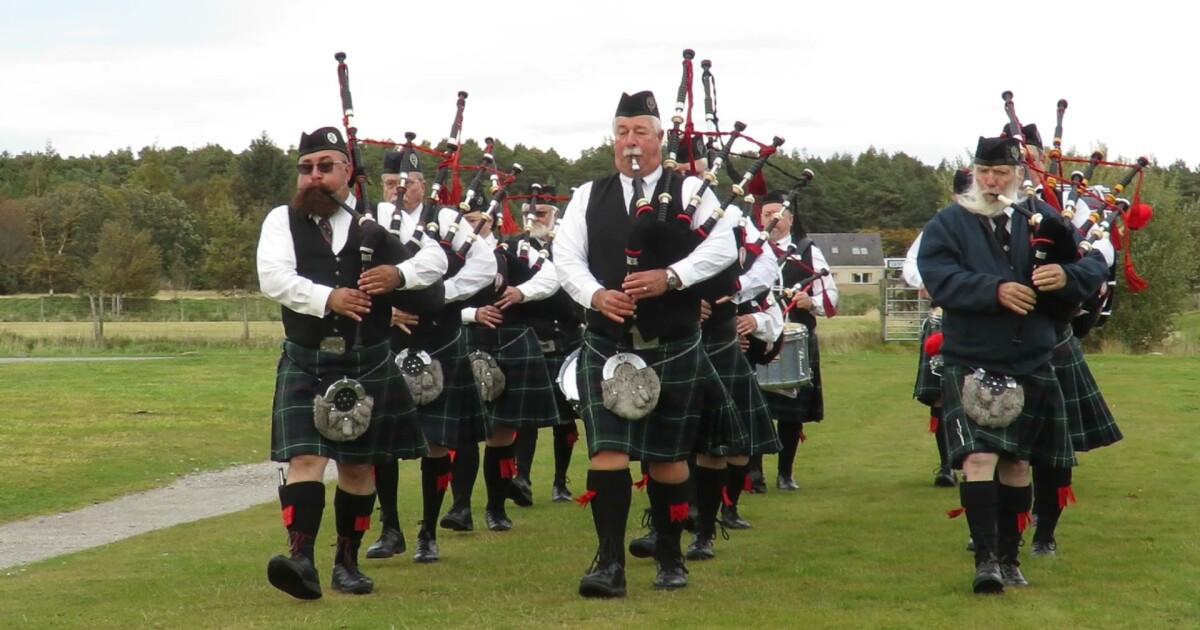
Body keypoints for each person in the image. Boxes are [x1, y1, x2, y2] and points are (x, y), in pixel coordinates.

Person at [555, 90, 736, 597]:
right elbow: (566, 256)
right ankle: (609, 563)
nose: (630, 142)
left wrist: (671, 278)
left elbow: (723, 246)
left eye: (639, 132)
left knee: (668, 458)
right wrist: (596, 295)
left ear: (659, 138)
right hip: (607, 342)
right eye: (621, 132)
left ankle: (670, 557)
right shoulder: (588, 195)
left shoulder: (691, 190)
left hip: (672, 340)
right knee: (606, 452)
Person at [918, 135, 1108, 594]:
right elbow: (938, 276)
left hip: (1030, 358)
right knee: (979, 457)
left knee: (1018, 464)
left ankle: (1010, 557)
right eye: (983, 172)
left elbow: (1093, 267)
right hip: (973, 356)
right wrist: (994, 290)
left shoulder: (1041, 219)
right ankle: (985, 561)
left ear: (1017, 176)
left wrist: (1066, 276)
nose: (990, 181)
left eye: (1000, 173)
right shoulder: (949, 223)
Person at [256, 127, 433, 599]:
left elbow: (433, 261)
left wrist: (398, 273)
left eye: (325, 166)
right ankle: (300, 559)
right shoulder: (282, 220)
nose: (313, 176)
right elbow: (273, 277)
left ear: (347, 171)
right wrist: (327, 297)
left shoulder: (379, 220)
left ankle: (347, 563)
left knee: (358, 467)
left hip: (367, 359)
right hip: (307, 358)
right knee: (305, 458)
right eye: (305, 168)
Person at [1004, 124, 1123, 558]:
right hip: (997, 341)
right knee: (997, 448)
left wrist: (1068, 274)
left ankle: (1046, 532)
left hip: (1052, 336)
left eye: (1028, 157)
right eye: (1014, 159)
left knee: (1053, 450)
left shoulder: (1071, 205)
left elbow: (1100, 257)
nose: (1023, 165)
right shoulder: (977, 212)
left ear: (1039, 159)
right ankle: (996, 528)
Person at [369, 154, 494, 564]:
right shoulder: (371, 219)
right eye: (390, 183)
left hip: (440, 336)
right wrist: (385, 310)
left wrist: (441, 295)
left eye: (406, 182)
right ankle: (390, 529)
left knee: (437, 443)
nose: (398, 190)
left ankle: (428, 533)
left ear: (423, 185)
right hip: (387, 339)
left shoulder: (446, 219)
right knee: (383, 443)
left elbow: (485, 264)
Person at [443, 198, 562, 532]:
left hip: (510, 341)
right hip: (466, 341)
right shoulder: (450, 256)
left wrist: (522, 292)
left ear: (492, 220)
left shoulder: (515, 251)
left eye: (476, 219)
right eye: (465, 219)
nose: (470, 225)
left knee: (503, 432)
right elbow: (433, 296)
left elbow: (552, 275)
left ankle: (495, 509)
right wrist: (472, 313)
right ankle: (460, 508)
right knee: (464, 432)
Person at [501, 187, 585, 505]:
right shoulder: (512, 248)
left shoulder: (568, 247)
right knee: (527, 418)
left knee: (565, 417)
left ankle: (560, 482)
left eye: (542, 212)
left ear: (554, 216)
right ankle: (521, 478)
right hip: (528, 341)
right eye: (530, 212)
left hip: (565, 338)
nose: (535, 218)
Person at [754, 194, 838, 493]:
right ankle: (754, 474)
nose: (773, 220)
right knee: (755, 409)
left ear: (790, 218)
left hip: (795, 340)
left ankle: (785, 474)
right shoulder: (750, 248)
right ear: (759, 217)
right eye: (767, 214)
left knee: (791, 414)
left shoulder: (807, 251)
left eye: (779, 214)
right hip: (757, 339)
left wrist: (809, 301)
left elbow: (831, 297)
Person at [903, 168, 973, 488]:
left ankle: (976, 463)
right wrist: (927, 281)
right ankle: (946, 465)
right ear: (954, 196)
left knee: (981, 392)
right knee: (941, 395)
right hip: (943, 318)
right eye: (964, 196)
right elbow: (912, 262)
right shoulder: (940, 225)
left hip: (983, 320)